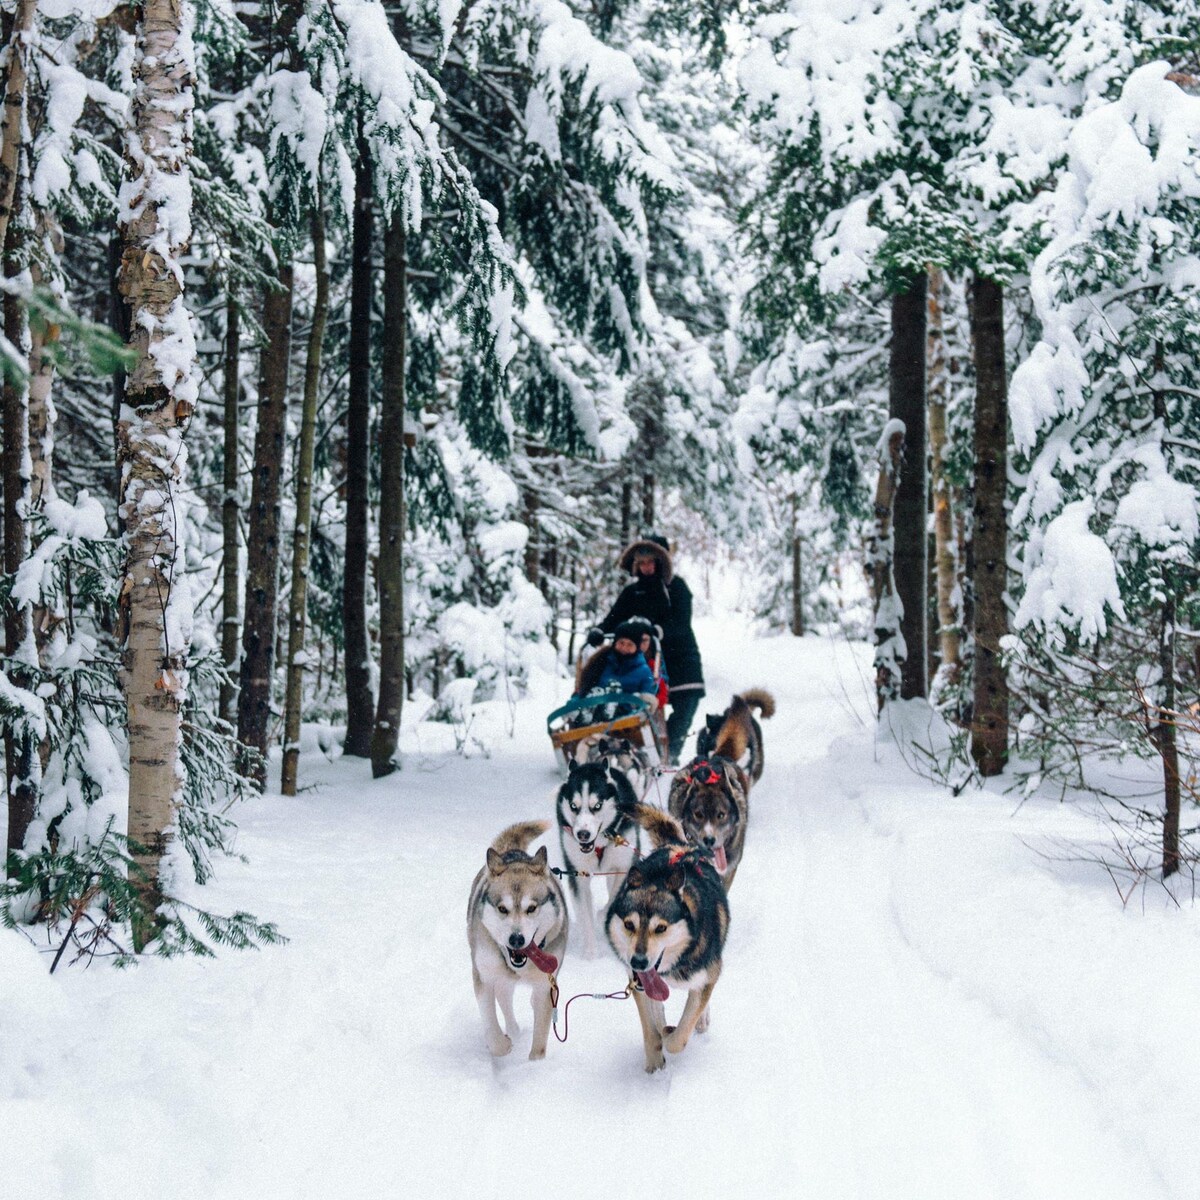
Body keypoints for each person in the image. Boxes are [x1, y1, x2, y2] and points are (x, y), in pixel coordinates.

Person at [587, 534, 704, 763]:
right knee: (642, 704)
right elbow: (614, 616)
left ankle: (670, 753)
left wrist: (658, 630)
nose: (646, 567)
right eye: (641, 563)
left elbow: (681, 621)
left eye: (651, 562)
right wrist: (600, 630)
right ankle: (639, 750)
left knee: (685, 706)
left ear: (662, 562)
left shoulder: (676, 587)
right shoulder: (633, 592)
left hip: (681, 658)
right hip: (647, 660)